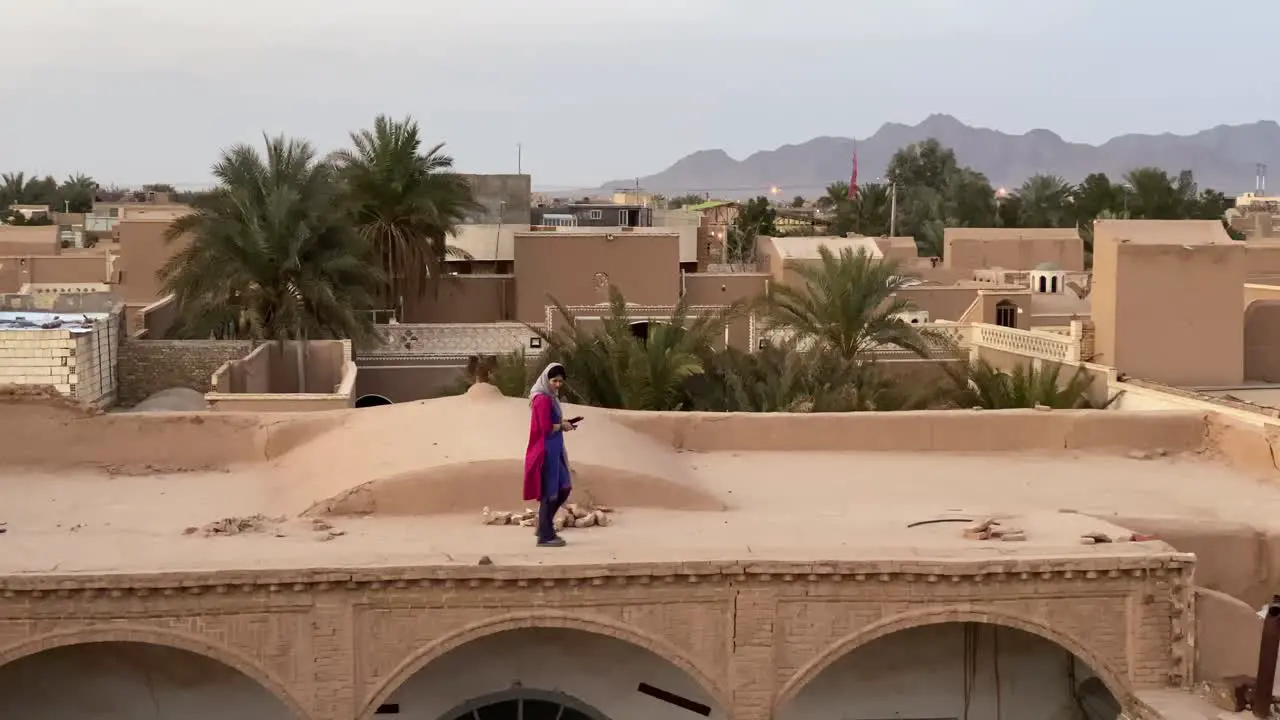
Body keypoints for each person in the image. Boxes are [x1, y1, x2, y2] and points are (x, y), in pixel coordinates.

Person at [524, 362, 575, 547]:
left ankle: (544, 526)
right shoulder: (542, 399)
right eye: (554, 381)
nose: (557, 385)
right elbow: (545, 428)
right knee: (550, 493)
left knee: (563, 488)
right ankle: (545, 535)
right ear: (546, 379)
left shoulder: (551, 398)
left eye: (561, 382)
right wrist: (562, 426)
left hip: (554, 450)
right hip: (545, 451)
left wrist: (564, 423)